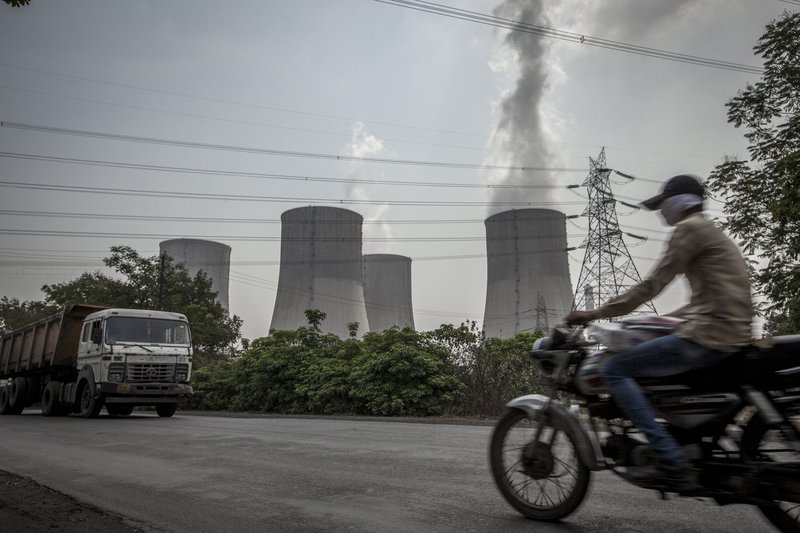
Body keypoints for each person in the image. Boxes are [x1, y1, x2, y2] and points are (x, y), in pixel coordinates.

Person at [566, 174, 754, 490]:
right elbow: (702, 302)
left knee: (615, 369)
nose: (660, 212)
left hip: (708, 337)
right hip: (727, 332)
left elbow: (653, 284)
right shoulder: (711, 232)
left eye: (661, 205)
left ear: (678, 202)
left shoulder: (689, 229)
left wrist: (596, 313)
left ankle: (668, 456)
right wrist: (653, 323)